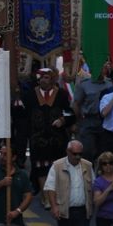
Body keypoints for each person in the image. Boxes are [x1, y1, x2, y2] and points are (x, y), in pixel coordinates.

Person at [26, 68, 73, 200]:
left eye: (46, 77)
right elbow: (24, 116)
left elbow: (70, 113)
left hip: (57, 139)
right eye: (41, 77)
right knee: (41, 167)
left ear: (52, 79)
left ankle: (58, 194)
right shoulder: (30, 95)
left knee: (57, 167)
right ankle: (45, 197)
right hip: (38, 139)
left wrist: (62, 120)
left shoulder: (62, 94)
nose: (43, 80)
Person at [43, 140, 95, 226]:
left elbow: (94, 185)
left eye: (80, 154)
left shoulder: (88, 165)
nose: (78, 157)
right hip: (64, 211)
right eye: (75, 154)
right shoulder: (57, 166)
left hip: (83, 211)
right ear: (67, 151)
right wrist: (54, 207)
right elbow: (50, 188)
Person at [72, 61, 113, 162]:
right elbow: (76, 104)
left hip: (106, 121)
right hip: (89, 120)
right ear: (91, 70)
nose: (100, 70)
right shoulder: (84, 84)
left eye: (103, 68)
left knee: (105, 152)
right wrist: (78, 121)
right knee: (87, 151)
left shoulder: (110, 84)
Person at [91, 151, 113, 226]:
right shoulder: (98, 181)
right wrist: (109, 189)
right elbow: (97, 203)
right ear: (101, 166)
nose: (108, 165)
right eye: (104, 163)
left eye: (111, 163)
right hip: (103, 218)